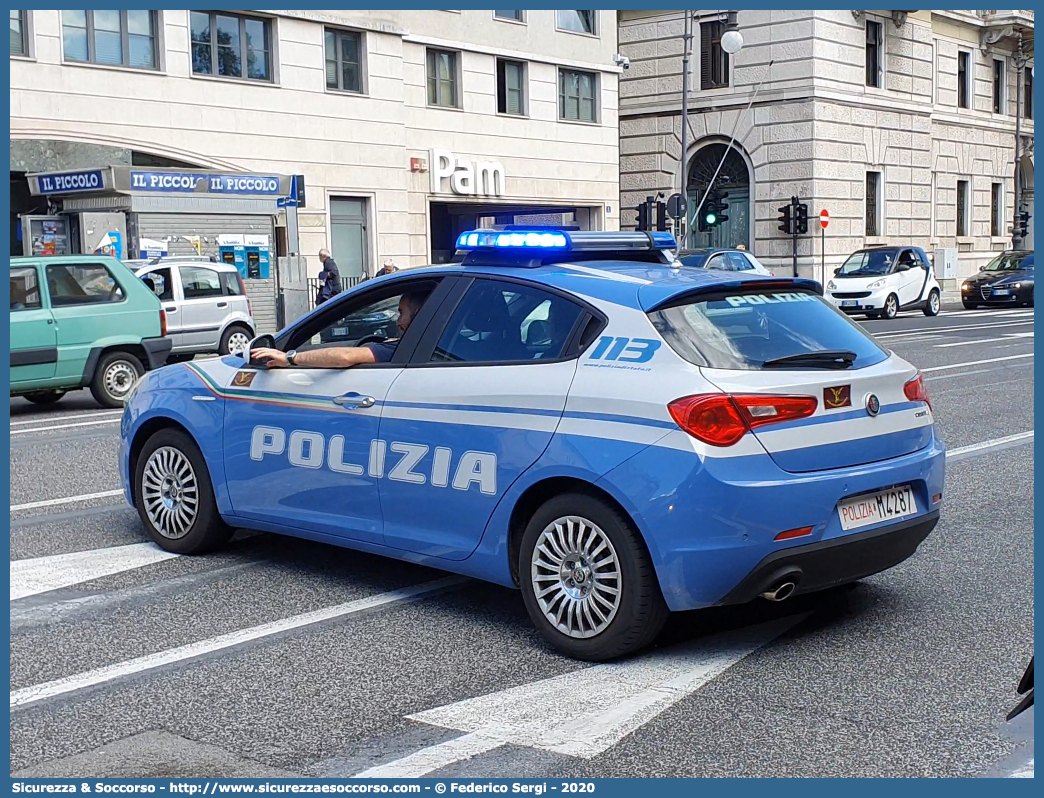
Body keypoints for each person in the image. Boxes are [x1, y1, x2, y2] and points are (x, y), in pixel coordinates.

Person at [251, 291, 430, 368]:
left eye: (401, 313)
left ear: (417, 314)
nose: (397, 322)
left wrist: (288, 357)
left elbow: (344, 357)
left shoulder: (402, 349)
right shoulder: (435, 345)